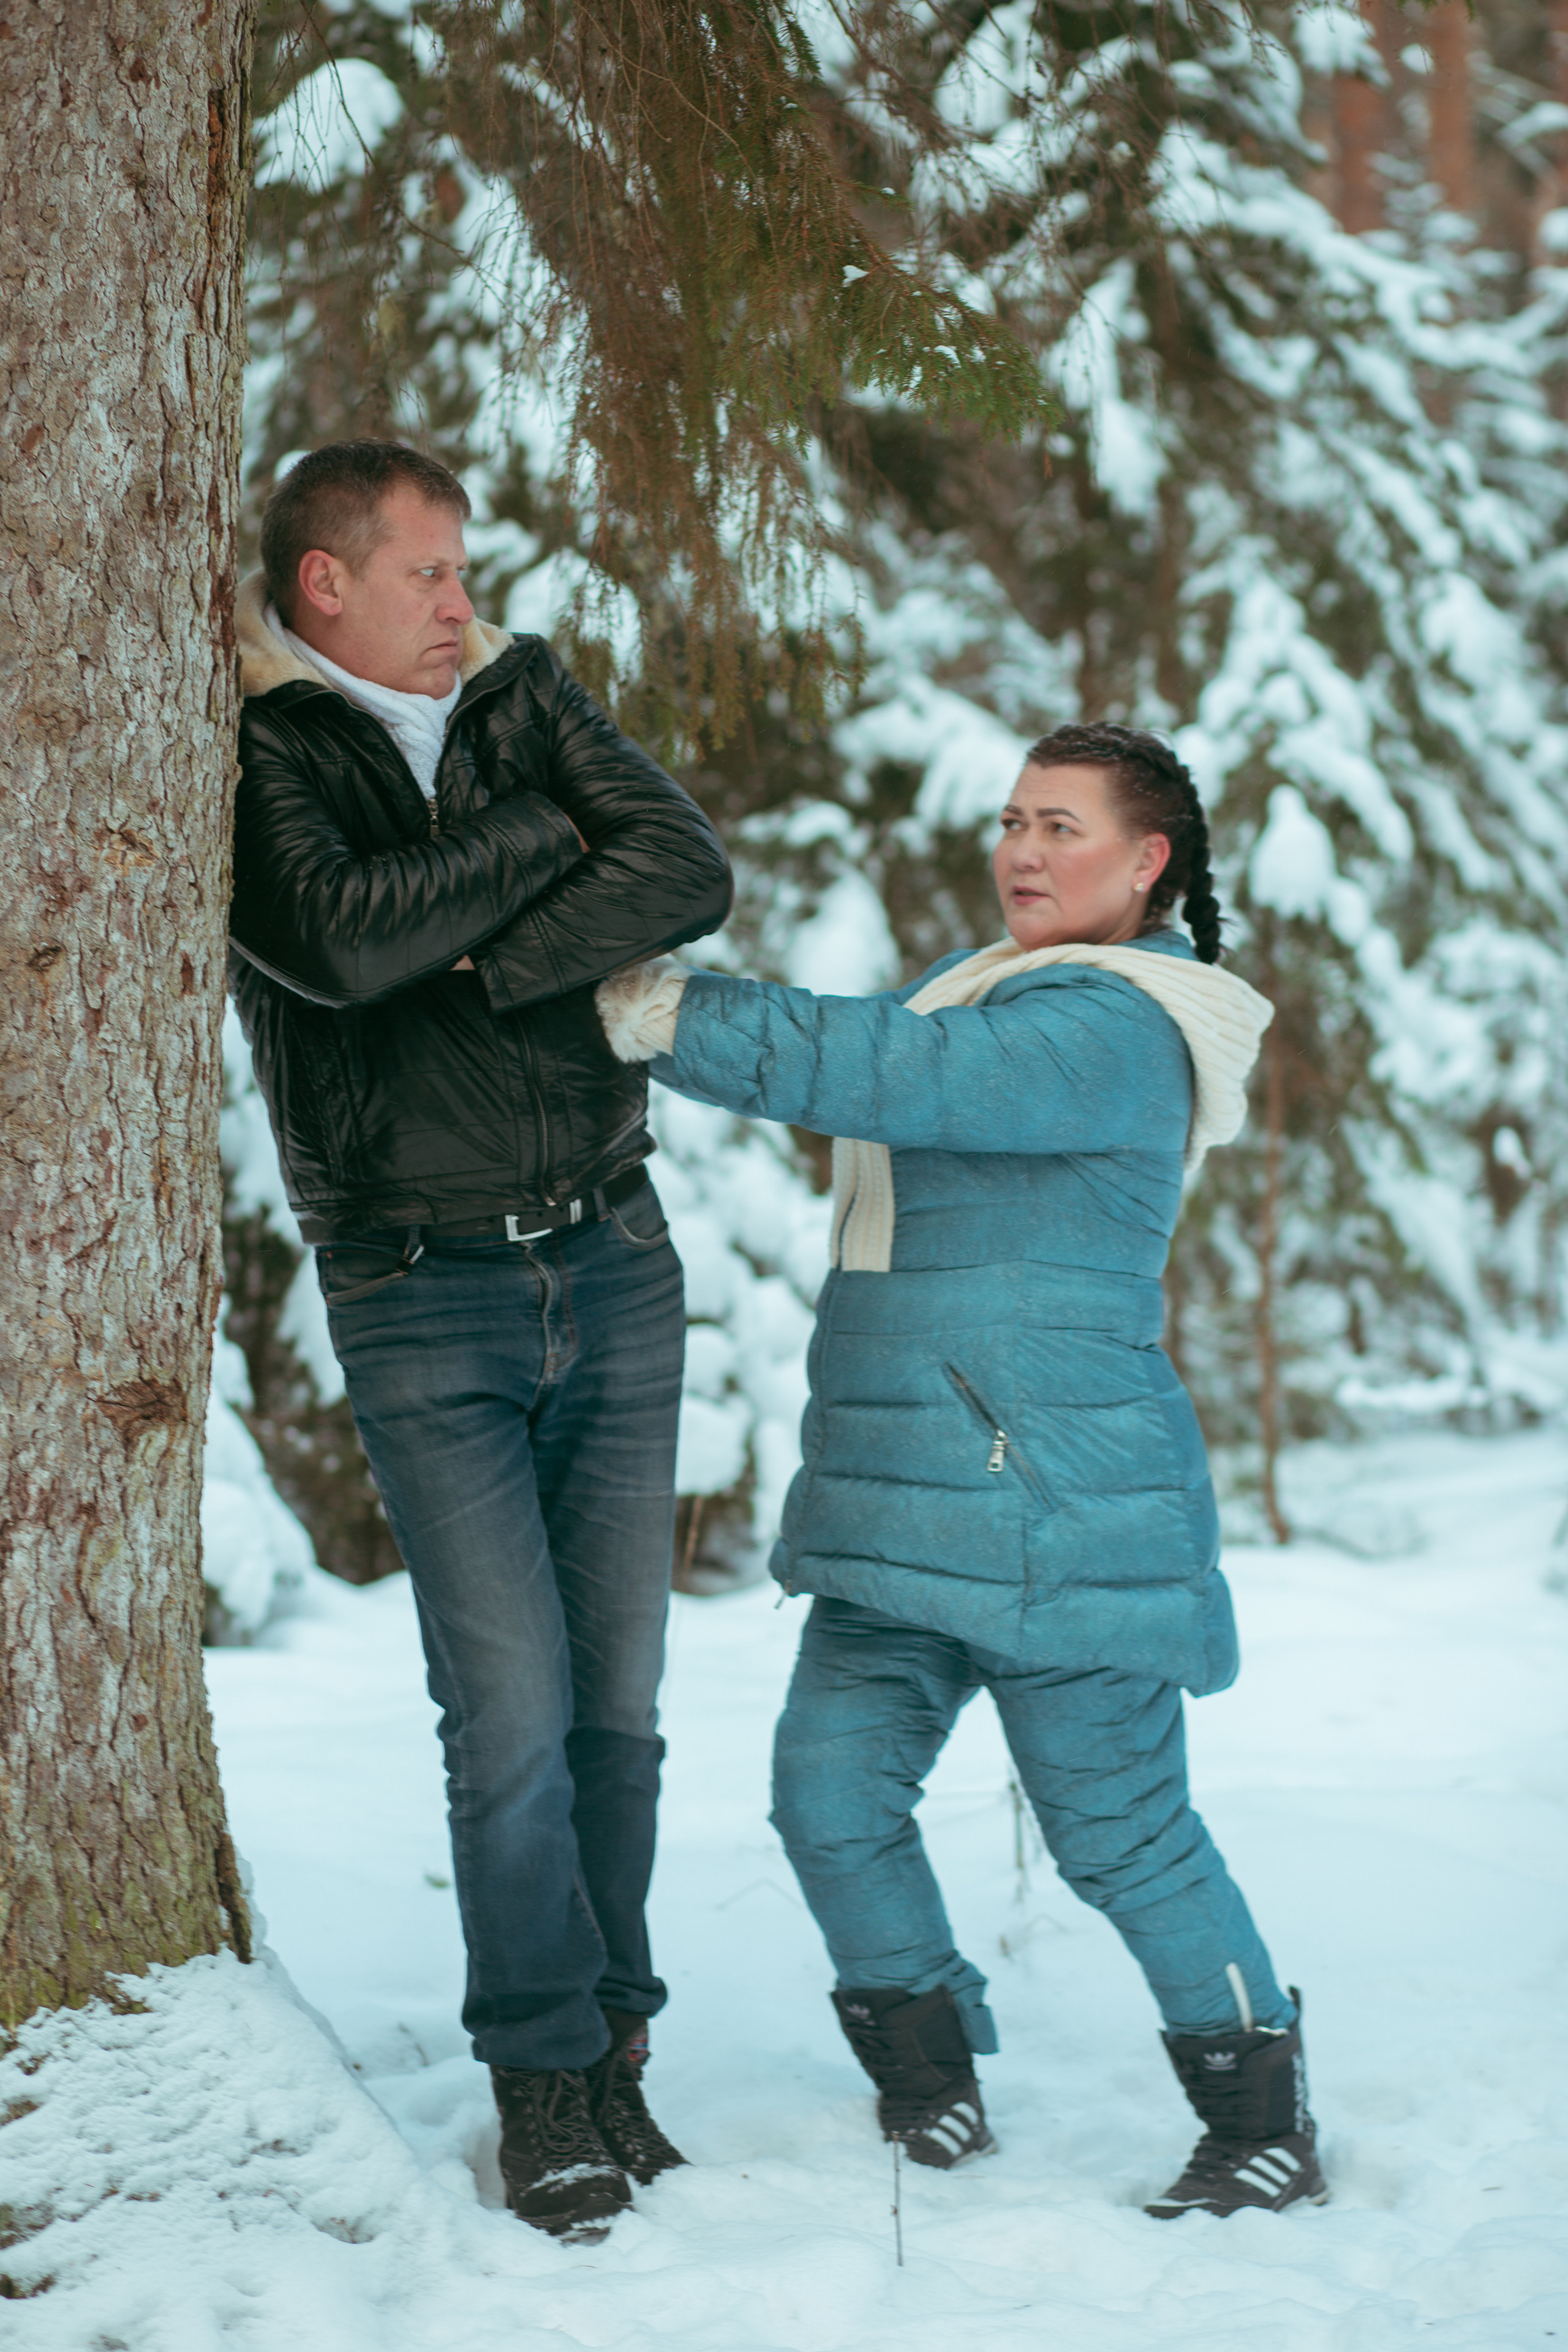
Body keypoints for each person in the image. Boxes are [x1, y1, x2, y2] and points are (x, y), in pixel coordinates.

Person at [597, 723, 1327, 2220]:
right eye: (1010, 820)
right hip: (900, 1507)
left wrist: (668, 1010)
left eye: (1060, 826)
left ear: (1146, 864)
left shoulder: (1112, 1025)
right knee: (826, 1797)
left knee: (1119, 1843)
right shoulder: (991, 991)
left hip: (1056, 1515)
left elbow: (898, 1071)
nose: (1019, 851)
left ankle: (1260, 2111)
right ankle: (930, 2076)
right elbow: (905, 1061)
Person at [227, 439, 732, 2244]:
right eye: (428, 574)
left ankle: (620, 2054)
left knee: (623, 1711)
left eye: (464, 569)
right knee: (508, 1714)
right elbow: (337, 945)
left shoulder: (526, 692)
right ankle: (540, 2080)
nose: (464, 604)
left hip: (613, 1256)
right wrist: (525, 849)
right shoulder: (266, 748)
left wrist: (484, 951)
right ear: (325, 587)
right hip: (419, 1285)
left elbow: (683, 862)